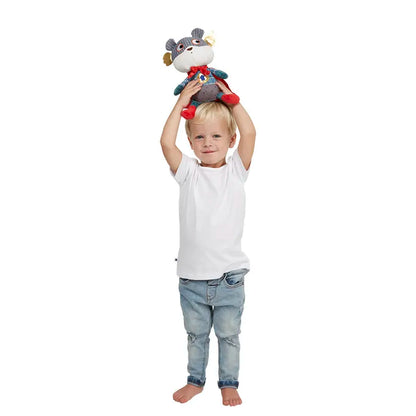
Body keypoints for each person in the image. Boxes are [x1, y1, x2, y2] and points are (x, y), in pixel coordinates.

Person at [160, 79, 256, 407]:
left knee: (228, 336)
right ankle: (195, 380)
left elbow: (251, 133)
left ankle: (228, 382)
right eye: (199, 136)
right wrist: (182, 101)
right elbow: (165, 142)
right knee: (195, 336)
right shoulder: (187, 172)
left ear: (231, 140)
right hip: (191, 279)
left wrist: (231, 99)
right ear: (190, 141)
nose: (208, 142)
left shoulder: (236, 171)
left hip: (229, 277)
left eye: (216, 136)